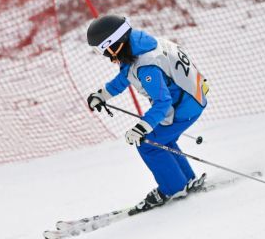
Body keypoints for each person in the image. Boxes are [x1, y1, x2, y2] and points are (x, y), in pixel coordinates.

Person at [85, 14, 210, 213]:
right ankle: (185, 180)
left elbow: (163, 102)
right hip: (190, 99)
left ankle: (173, 188)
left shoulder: (146, 65)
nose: (105, 56)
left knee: (148, 144)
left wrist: (142, 127)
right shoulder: (138, 45)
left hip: (184, 106)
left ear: (113, 44)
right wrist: (103, 94)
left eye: (102, 49)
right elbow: (127, 75)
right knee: (162, 140)